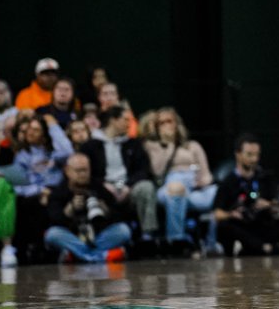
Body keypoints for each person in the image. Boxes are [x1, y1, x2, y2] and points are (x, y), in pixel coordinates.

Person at [213, 134, 279, 256]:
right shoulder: (228, 182)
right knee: (225, 226)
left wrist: (268, 205)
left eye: (257, 155)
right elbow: (217, 214)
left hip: (263, 224)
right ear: (238, 154)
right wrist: (232, 214)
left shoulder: (266, 178)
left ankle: (252, 248)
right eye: (249, 155)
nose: (254, 159)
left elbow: (277, 207)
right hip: (242, 227)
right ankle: (268, 248)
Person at [145, 107, 217, 248]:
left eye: (169, 121)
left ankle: (211, 244)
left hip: (195, 188)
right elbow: (158, 171)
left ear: (177, 124)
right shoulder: (153, 146)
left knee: (218, 193)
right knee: (176, 189)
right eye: (161, 123)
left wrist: (203, 182)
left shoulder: (193, 146)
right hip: (167, 187)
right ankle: (176, 241)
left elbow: (207, 174)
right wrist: (169, 144)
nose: (166, 125)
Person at [44, 153, 130, 262]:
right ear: (67, 171)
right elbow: (53, 219)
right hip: (74, 237)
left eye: (85, 170)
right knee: (52, 234)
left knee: (124, 230)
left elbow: (118, 214)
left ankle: (78, 256)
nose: (83, 174)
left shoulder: (98, 187)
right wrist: (68, 210)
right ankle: (101, 256)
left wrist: (106, 210)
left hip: (98, 237)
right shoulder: (59, 192)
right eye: (78, 171)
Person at [95, 106, 159, 241]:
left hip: (127, 187)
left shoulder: (133, 144)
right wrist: (105, 187)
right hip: (103, 189)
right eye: (125, 119)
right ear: (113, 120)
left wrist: (126, 186)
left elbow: (143, 170)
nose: (129, 123)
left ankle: (148, 236)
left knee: (146, 187)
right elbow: (90, 175)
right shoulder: (92, 144)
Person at [0, 119, 18, 267]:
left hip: (1, 194)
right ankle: (7, 246)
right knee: (3, 188)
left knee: (4, 186)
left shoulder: (6, 153)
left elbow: (16, 175)